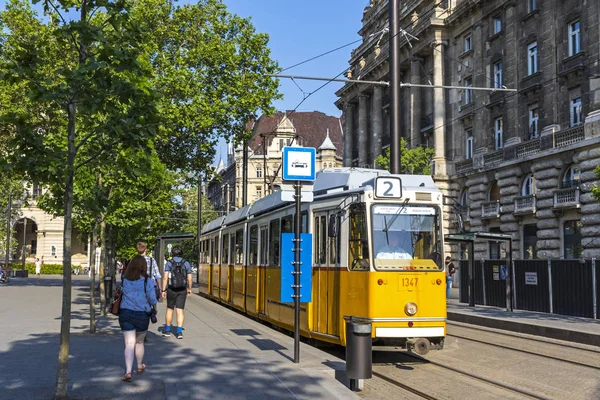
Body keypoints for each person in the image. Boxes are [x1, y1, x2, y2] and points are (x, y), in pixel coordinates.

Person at [118, 255, 158, 382]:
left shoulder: (125, 279)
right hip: (142, 314)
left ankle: (128, 372)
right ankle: (139, 366)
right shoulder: (147, 281)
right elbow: (152, 299)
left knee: (129, 343)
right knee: (139, 342)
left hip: (125, 313)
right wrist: (154, 308)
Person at [161, 245, 192, 339]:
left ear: (173, 253)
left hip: (171, 289)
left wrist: (163, 290)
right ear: (182, 253)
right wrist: (189, 288)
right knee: (180, 310)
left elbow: (165, 277)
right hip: (182, 289)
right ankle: (179, 332)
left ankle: (167, 330)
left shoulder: (169, 263)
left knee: (170, 309)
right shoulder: (186, 263)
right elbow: (190, 278)